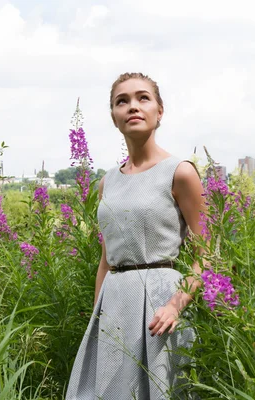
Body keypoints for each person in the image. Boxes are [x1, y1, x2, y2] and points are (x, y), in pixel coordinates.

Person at [66, 72, 206, 399]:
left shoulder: (180, 172)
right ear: (114, 117)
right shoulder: (107, 182)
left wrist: (176, 305)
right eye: (122, 101)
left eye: (143, 98)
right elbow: (106, 260)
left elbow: (208, 256)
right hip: (113, 306)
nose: (133, 106)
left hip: (161, 305)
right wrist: (97, 316)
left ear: (160, 111)